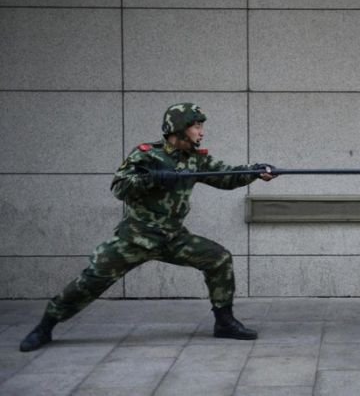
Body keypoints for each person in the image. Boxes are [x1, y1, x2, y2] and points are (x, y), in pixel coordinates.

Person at [20, 102, 276, 352]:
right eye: (197, 126)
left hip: (173, 238)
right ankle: (45, 326)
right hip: (135, 238)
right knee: (91, 280)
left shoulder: (195, 160)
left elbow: (226, 176)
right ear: (179, 127)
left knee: (219, 259)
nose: (202, 131)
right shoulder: (146, 154)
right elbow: (119, 187)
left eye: (201, 126)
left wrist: (256, 171)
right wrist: (151, 179)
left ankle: (224, 322)